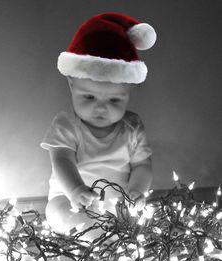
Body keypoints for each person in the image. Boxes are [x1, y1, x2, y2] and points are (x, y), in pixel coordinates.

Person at [41, 12, 157, 236]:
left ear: (128, 90)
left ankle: (107, 237)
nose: (101, 108)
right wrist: (75, 190)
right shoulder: (67, 124)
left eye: (114, 100)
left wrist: (137, 190)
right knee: (57, 211)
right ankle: (85, 234)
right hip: (71, 199)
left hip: (116, 205)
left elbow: (143, 165)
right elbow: (61, 160)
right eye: (89, 98)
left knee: (137, 222)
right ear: (71, 85)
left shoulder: (132, 127)